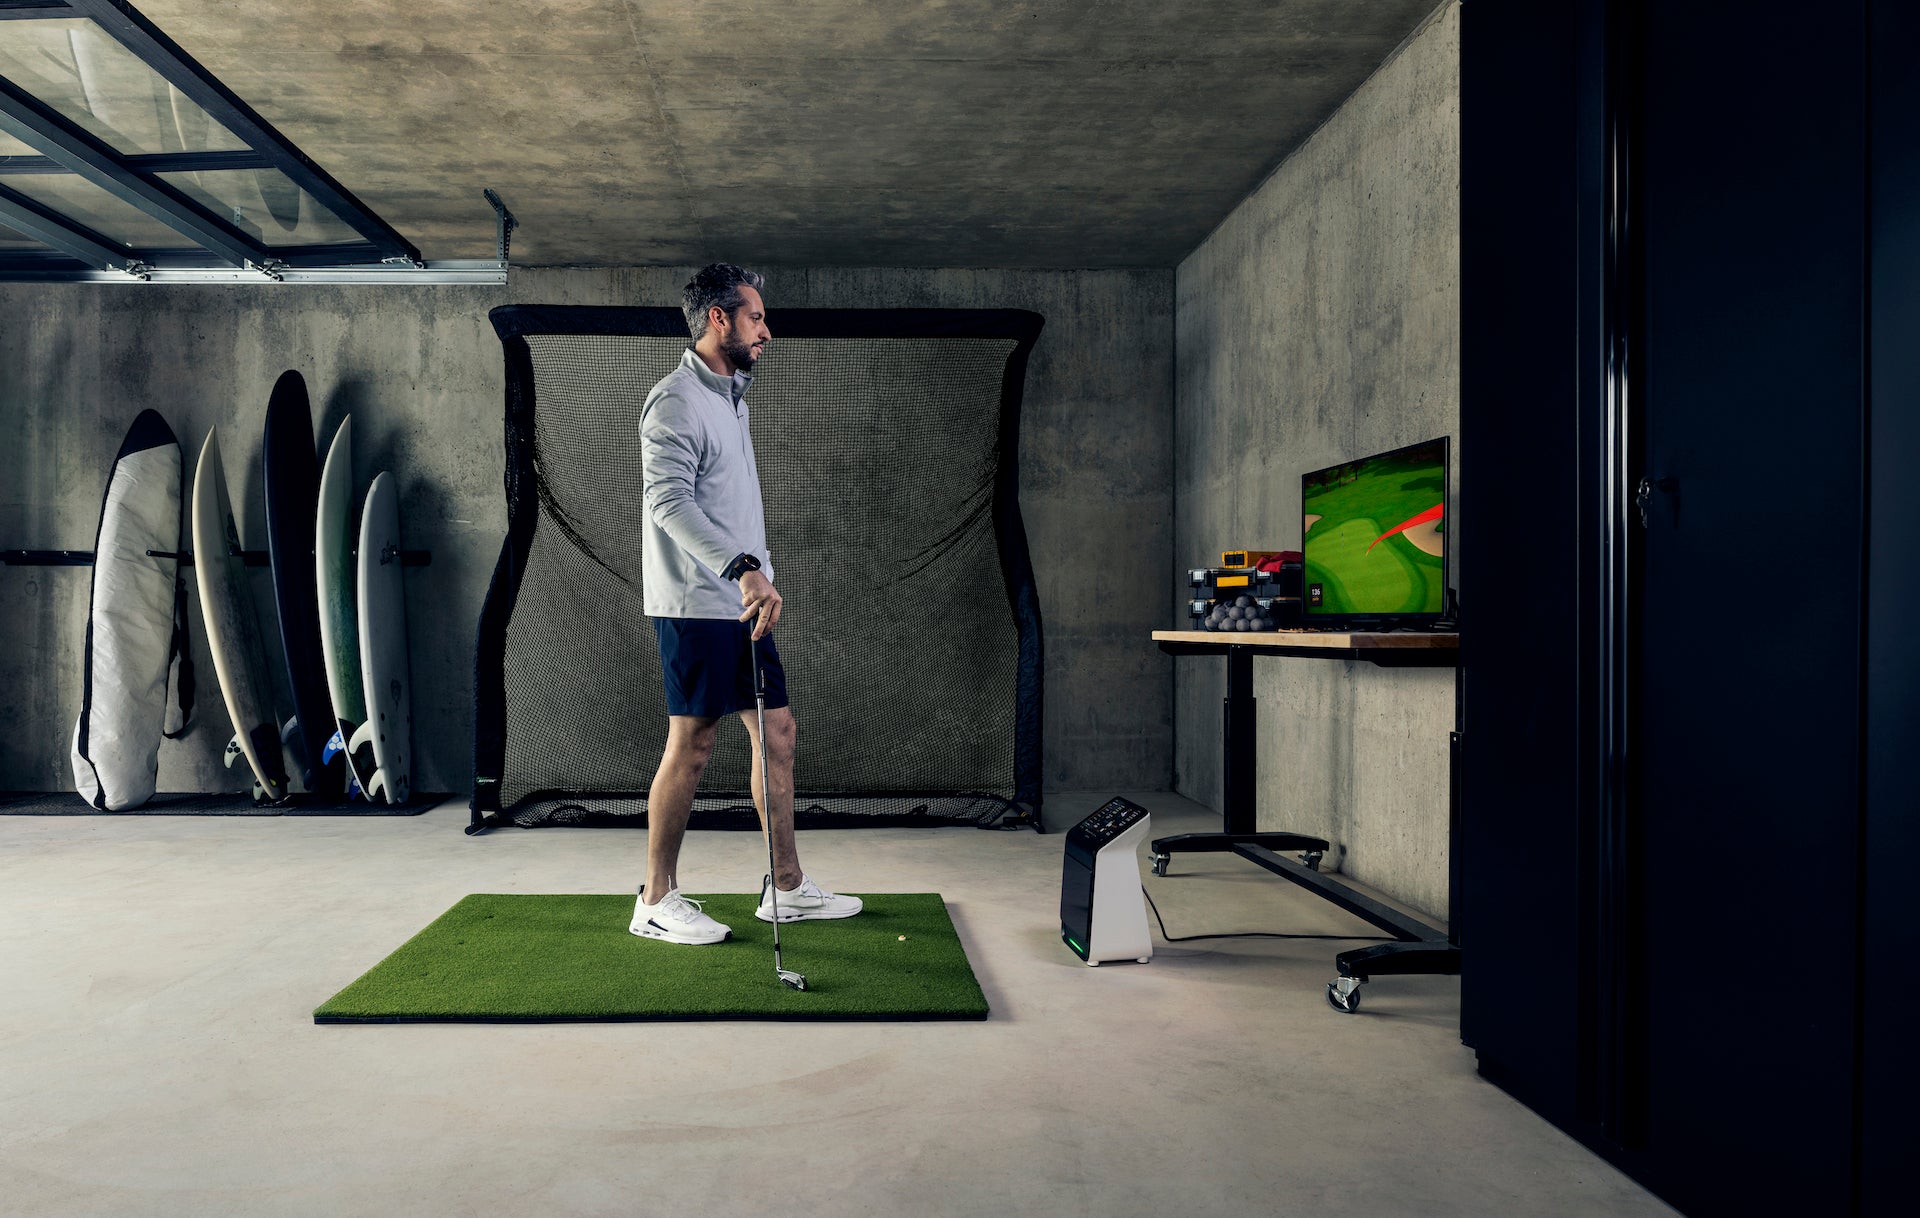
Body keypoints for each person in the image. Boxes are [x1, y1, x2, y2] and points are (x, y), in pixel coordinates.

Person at [629, 263, 862, 945]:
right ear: (718, 319)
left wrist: (752, 578)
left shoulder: (731, 396)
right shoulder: (674, 400)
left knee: (778, 733)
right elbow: (667, 502)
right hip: (697, 602)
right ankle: (654, 898)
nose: (767, 329)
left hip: (741, 603)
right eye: (756, 316)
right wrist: (743, 569)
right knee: (694, 745)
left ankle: (786, 888)